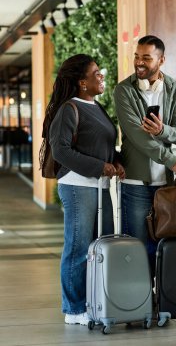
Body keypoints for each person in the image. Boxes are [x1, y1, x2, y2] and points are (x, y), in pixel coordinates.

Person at [40, 54, 125, 326]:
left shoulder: (96, 107)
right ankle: (74, 309)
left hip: (99, 185)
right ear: (82, 82)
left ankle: (95, 299)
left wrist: (116, 162)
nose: (101, 76)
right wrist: (100, 166)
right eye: (96, 73)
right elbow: (62, 151)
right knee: (77, 248)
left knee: (99, 246)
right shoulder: (68, 109)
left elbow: (104, 144)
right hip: (77, 187)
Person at [113, 35, 176, 277]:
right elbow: (137, 137)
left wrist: (162, 130)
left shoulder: (175, 89)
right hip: (135, 183)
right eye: (137, 56)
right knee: (136, 248)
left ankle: (162, 301)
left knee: (163, 244)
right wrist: (172, 160)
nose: (139, 62)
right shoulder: (123, 90)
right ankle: (140, 302)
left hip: (165, 184)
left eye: (146, 58)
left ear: (161, 60)